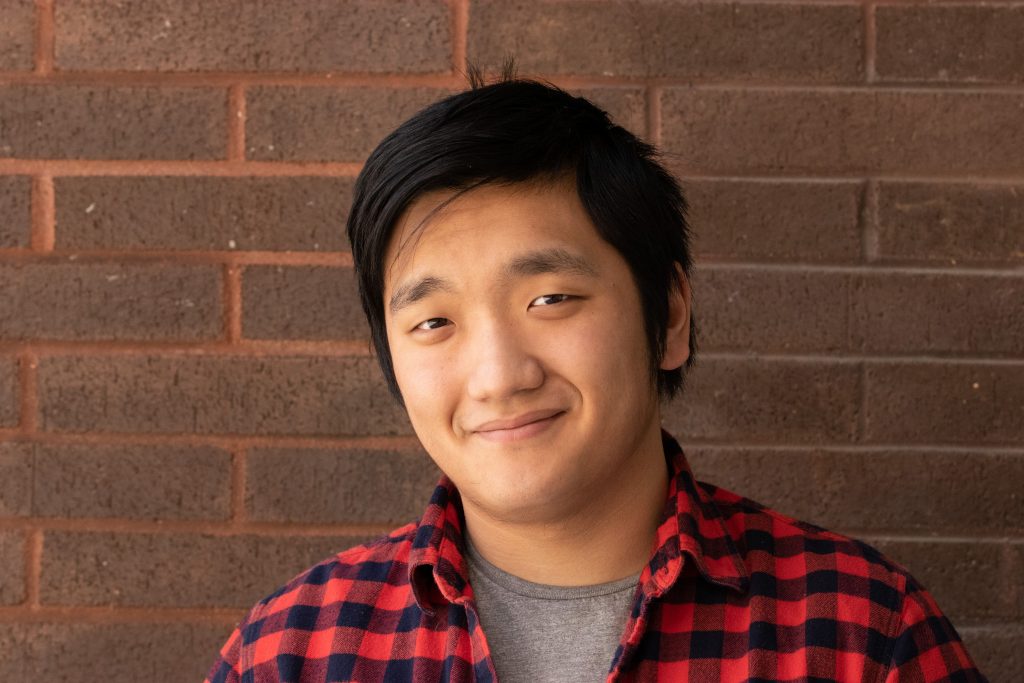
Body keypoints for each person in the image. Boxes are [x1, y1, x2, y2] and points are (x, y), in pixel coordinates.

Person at [205, 71, 984, 682]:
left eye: (551, 299)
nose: (498, 374)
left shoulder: (860, 636)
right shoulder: (292, 652)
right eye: (434, 322)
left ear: (670, 314)